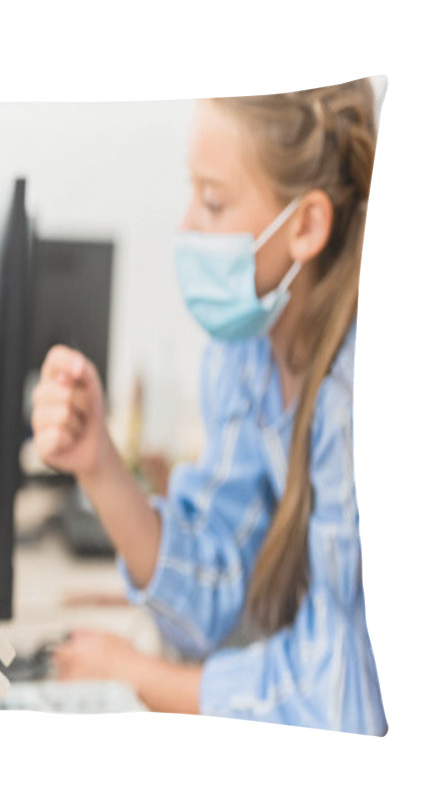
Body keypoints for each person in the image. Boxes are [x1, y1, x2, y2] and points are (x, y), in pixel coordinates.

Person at [30, 78, 387, 735]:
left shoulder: (358, 395)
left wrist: (142, 677)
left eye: (214, 201)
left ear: (306, 224)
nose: (187, 225)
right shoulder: (248, 352)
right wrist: (98, 463)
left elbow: (349, 696)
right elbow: (215, 587)